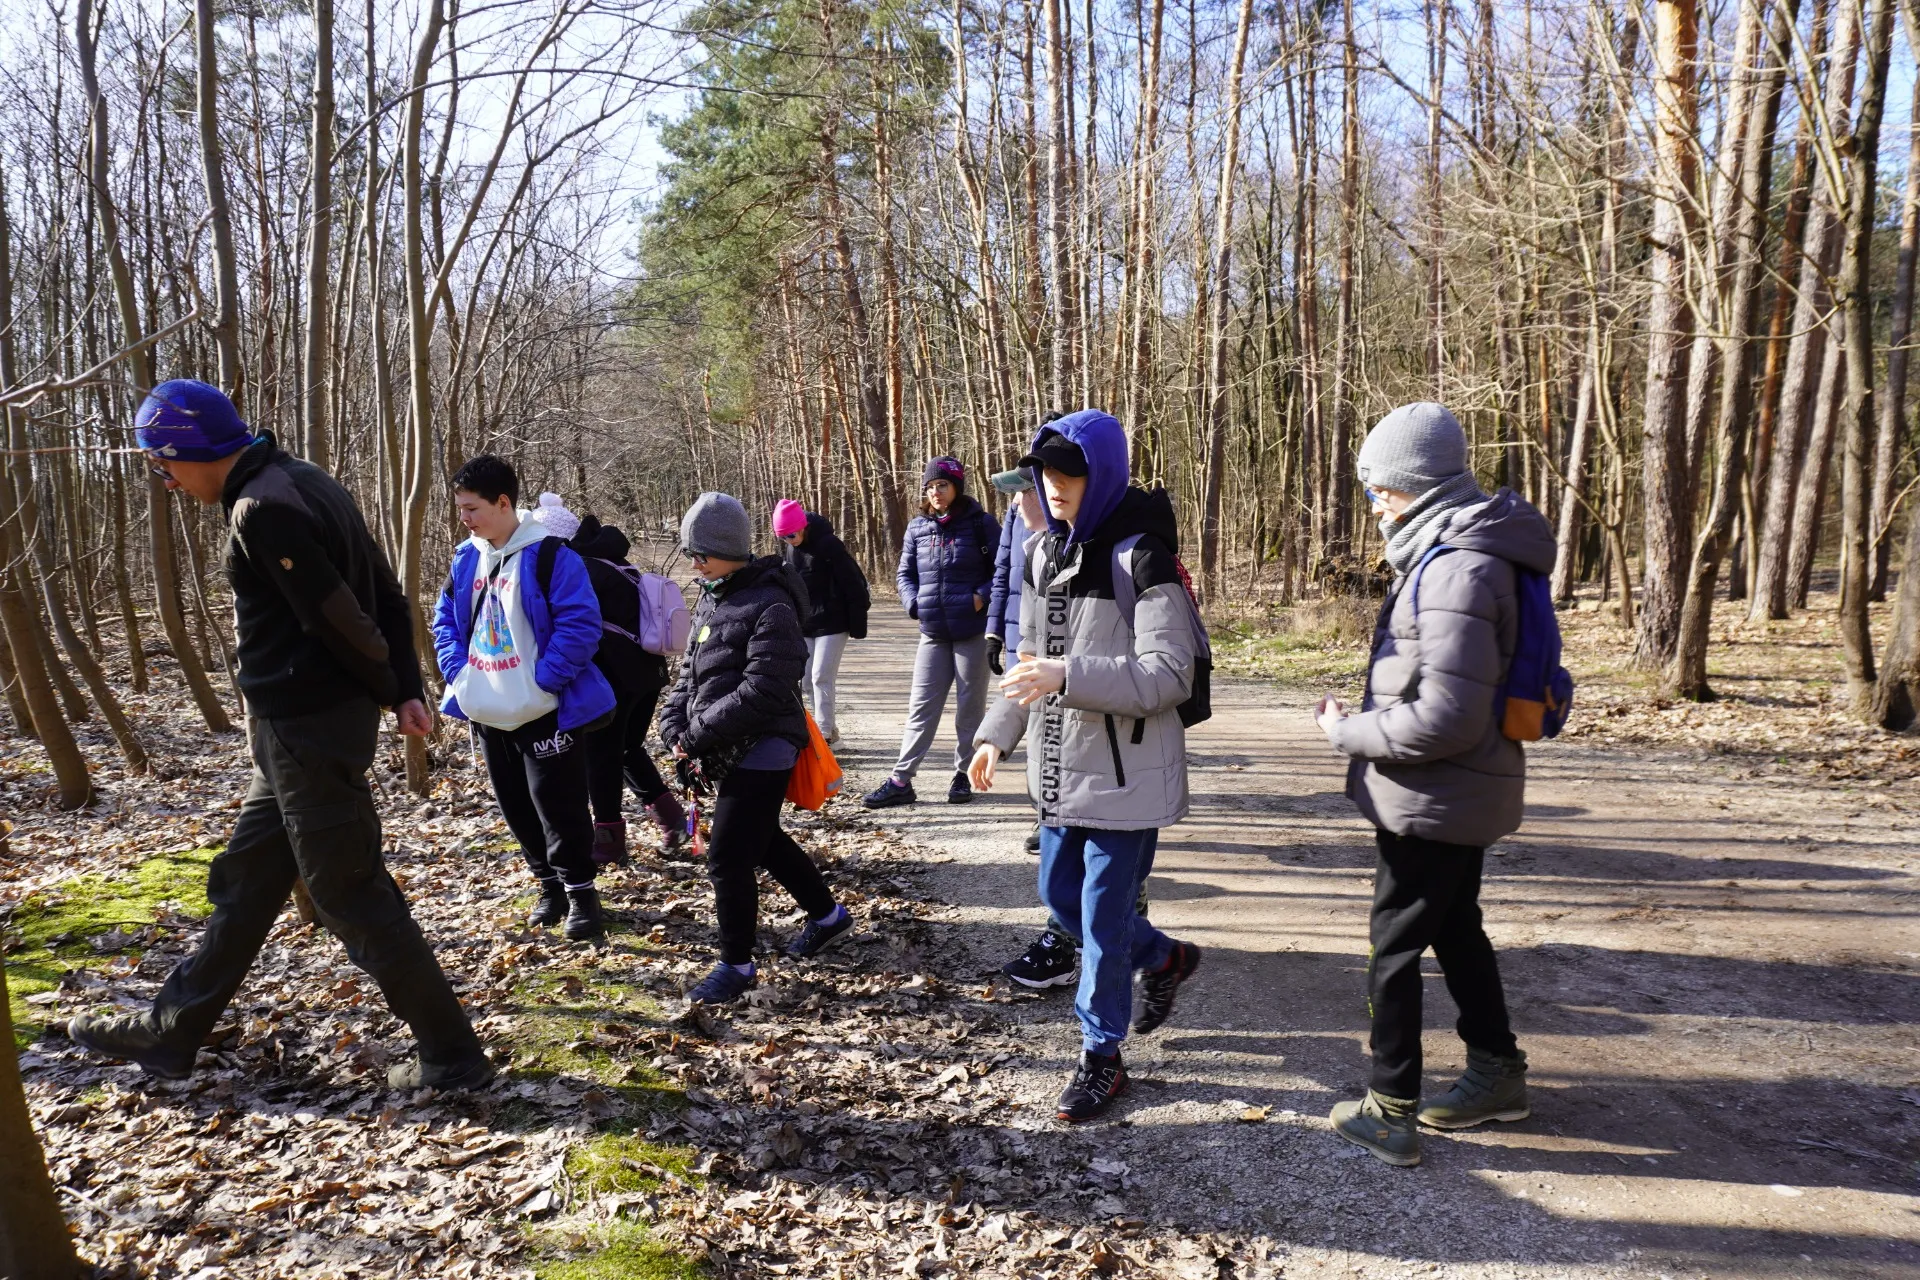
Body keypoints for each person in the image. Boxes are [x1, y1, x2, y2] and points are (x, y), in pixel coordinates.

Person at [69, 379, 493, 1091]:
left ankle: (453, 1056)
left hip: (309, 732)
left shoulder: (263, 509)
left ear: (190, 450)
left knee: (348, 892)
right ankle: (172, 1032)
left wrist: (395, 689)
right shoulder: (303, 479)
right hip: (290, 736)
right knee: (248, 882)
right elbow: (387, 594)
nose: (165, 481)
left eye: (163, 463)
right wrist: (403, 687)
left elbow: (341, 617)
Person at [1315, 401, 1551, 1168]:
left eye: (1380, 489)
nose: (1375, 505)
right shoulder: (1457, 551)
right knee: (1455, 927)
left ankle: (1390, 1109)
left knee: (1393, 949)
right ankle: (1497, 1073)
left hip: (1435, 795)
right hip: (1454, 791)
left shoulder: (1455, 567)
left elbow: (1446, 718)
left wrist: (1347, 732)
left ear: (1419, 485)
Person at [969, 410, 1203, 1122]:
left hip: (1127, 780)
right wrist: (994, 737)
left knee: (1101, 920)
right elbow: (1026, 668)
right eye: (1045, 471)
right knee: (1060, 897)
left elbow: (1170, 674)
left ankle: (1102, 1056)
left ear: (1101, 474)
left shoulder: (1143, 557)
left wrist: (1068, 674)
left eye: (1069, 471)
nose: (1054, 483)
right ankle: (1163, 957)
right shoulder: (1042, 553)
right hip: (1058, 773)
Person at [658, 492, 852, 1004]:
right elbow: (689, 675)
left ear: (729, 550)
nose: (694, 564)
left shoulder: (772, 604)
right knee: (762, 840)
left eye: (701, 554)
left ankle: (736, 965)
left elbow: (764, 689)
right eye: (690, 553)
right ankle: (828, 916)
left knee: (727, 855)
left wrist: (697, 735)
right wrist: (673, 725)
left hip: (766, 745)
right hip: (721, 743)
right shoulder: (713, 596)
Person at [433, 458, 616, 941]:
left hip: (544, 710)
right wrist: (459, 674)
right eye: (460, 508)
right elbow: (444, 620)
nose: (464, 518)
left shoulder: (552, 556)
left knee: (559, 806)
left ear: (503, 503)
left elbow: (581, 624)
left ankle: (581, 894)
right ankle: (549, 888)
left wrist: (544, 682)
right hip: (487, 707)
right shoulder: (466, 558)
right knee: (515, 804)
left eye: (472, 508)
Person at [532, 498, 687, 863]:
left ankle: (608, 842)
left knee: (600, 757)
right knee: (627, 750)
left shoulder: (577, 569)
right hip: (647, 675)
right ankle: (673, 820)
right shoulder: (612, 561)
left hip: (614, 680)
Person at [864, 456, 999, 808]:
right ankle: (901, 780)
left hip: (972, 631)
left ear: (956, 487)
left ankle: (963, 775)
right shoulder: (918, 528)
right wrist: (914, 604)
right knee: (921, 709)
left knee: (970, 710)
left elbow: (1002, 570)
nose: (935, 492)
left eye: (942, 485)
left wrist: (979, 598)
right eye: (930, 487)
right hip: (933, 633)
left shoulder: (981, 524)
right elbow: (904, 574)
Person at [773, 498, 870, 745]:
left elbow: (853, 582)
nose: (789, 540)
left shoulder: (829, 545)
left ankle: (823, 735)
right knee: (806, 680)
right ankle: (831, 732)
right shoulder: (791, 550)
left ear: (802, 526)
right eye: (783, 537)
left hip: (834, 622)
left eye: (791, 535)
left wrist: (858, 620)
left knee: (820, 676)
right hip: (807, 624)